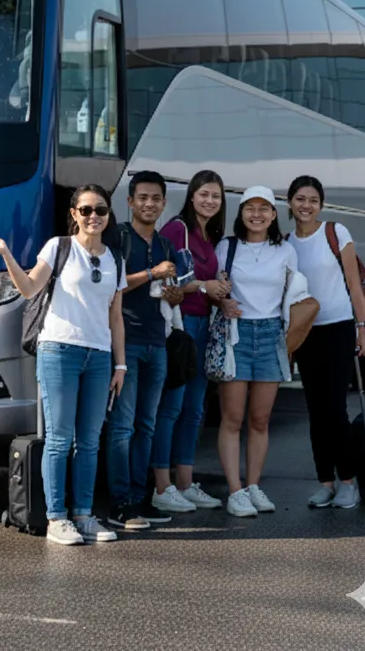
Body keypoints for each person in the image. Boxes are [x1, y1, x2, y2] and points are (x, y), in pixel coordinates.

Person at [0, 186, 126, 545]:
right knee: (59, 439)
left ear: (108, 214)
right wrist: (7, 254)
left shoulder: (115, 258)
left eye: (100, 210)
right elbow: (28, 288)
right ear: (74, 213)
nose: (93, 216)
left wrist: (121, 366)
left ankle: (83, 515)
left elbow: (115, 317)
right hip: (59, 349)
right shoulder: (58, 247)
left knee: (90, 441)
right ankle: (57, 518)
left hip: (99, 355)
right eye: (86, 210)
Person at [213, 185, 316, 518]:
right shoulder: (226, 247)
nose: (256, 214)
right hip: (236, 336)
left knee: (260, 420)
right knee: (232, 418)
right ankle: (235, 491)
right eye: (249, 208)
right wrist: (222, 300)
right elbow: (215, 291)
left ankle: (254, 486)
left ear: (273, 214)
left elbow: (292, 294)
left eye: (264, 208)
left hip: (272, 334)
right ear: (241, 213)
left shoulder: (285, 251)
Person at [286, 175, 365, 509]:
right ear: (290, 203)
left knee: (335, 409)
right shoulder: (286, 242)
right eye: (300, 199)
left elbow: (354, 283)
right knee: (315, 411)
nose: (306, 205)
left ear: (320, 205)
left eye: (312, 200)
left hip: (338, 328)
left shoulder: (336, 233)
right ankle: (326, 482)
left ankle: (348, 481)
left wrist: (362, 326)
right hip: (305, 332)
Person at [105, 170, 185, 530]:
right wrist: (152, 274)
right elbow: (111, 285)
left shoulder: (167, 245)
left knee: (146, 426)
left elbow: (176, 293)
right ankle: (120, 504)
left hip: (158, 342)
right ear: (131, 201)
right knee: (122, 426)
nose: (149, 204)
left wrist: (174, 293)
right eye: (143, 198)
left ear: (164, 203)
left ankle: (139, 498)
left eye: (156, 199)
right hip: (125, 342)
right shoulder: (118, 237)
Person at [150, 170, 233, 513]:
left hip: (203, 325)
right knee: (171, 407)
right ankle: (161, 486)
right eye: (204, 194)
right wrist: (203, 286)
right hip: (181, 327)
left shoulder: (207, 234)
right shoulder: (176, 230)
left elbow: (206, 280)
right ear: (192, 196)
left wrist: (219, 285)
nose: (210, 201)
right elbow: (164, 284)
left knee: (194, 410)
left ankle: (185, 483)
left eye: (216, 196)